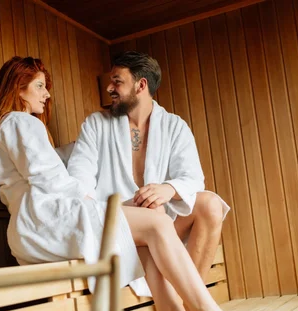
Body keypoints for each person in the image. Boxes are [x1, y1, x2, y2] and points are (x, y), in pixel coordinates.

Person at [0, 56, 269, 311]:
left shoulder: (16, 125)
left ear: (141, 85)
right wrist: (111, 207)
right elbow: (53, 180)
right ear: (18, 88)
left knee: (155, 221)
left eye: (117, 81)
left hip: (43, 218)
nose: (47, 94)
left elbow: (49, 170)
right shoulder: (21, 122)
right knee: (153, 223)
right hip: (46, 220)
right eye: (40, 86)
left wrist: (160, 191)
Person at [67, 51, 226, 294]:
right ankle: (190, 308)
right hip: (118, 224)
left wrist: (168, 189)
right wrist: (121, 209)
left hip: (161, 224)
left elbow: (193, 178)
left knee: (211, 205)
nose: (109, 88)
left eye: (117, 81)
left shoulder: (174, 127)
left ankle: (191, 305)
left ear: (141, 85)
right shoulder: (96, 124)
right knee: (153, 210)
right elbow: (79, 180)